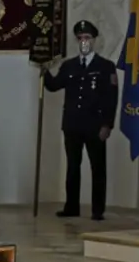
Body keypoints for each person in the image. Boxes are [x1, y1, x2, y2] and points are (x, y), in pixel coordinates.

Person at [41, 20, 119, 220]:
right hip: (72, 125)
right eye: (81, 38)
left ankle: (97, 209)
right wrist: (44, 70)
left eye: (87, 38)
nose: (84, 42)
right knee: (73, 167)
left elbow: (111, 98)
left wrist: (107, 124)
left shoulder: (105, 67)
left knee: (97, 168)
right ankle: (71, 206)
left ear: (94, 41)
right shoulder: (70, 65)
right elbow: (55, 85)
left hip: (95, 126)